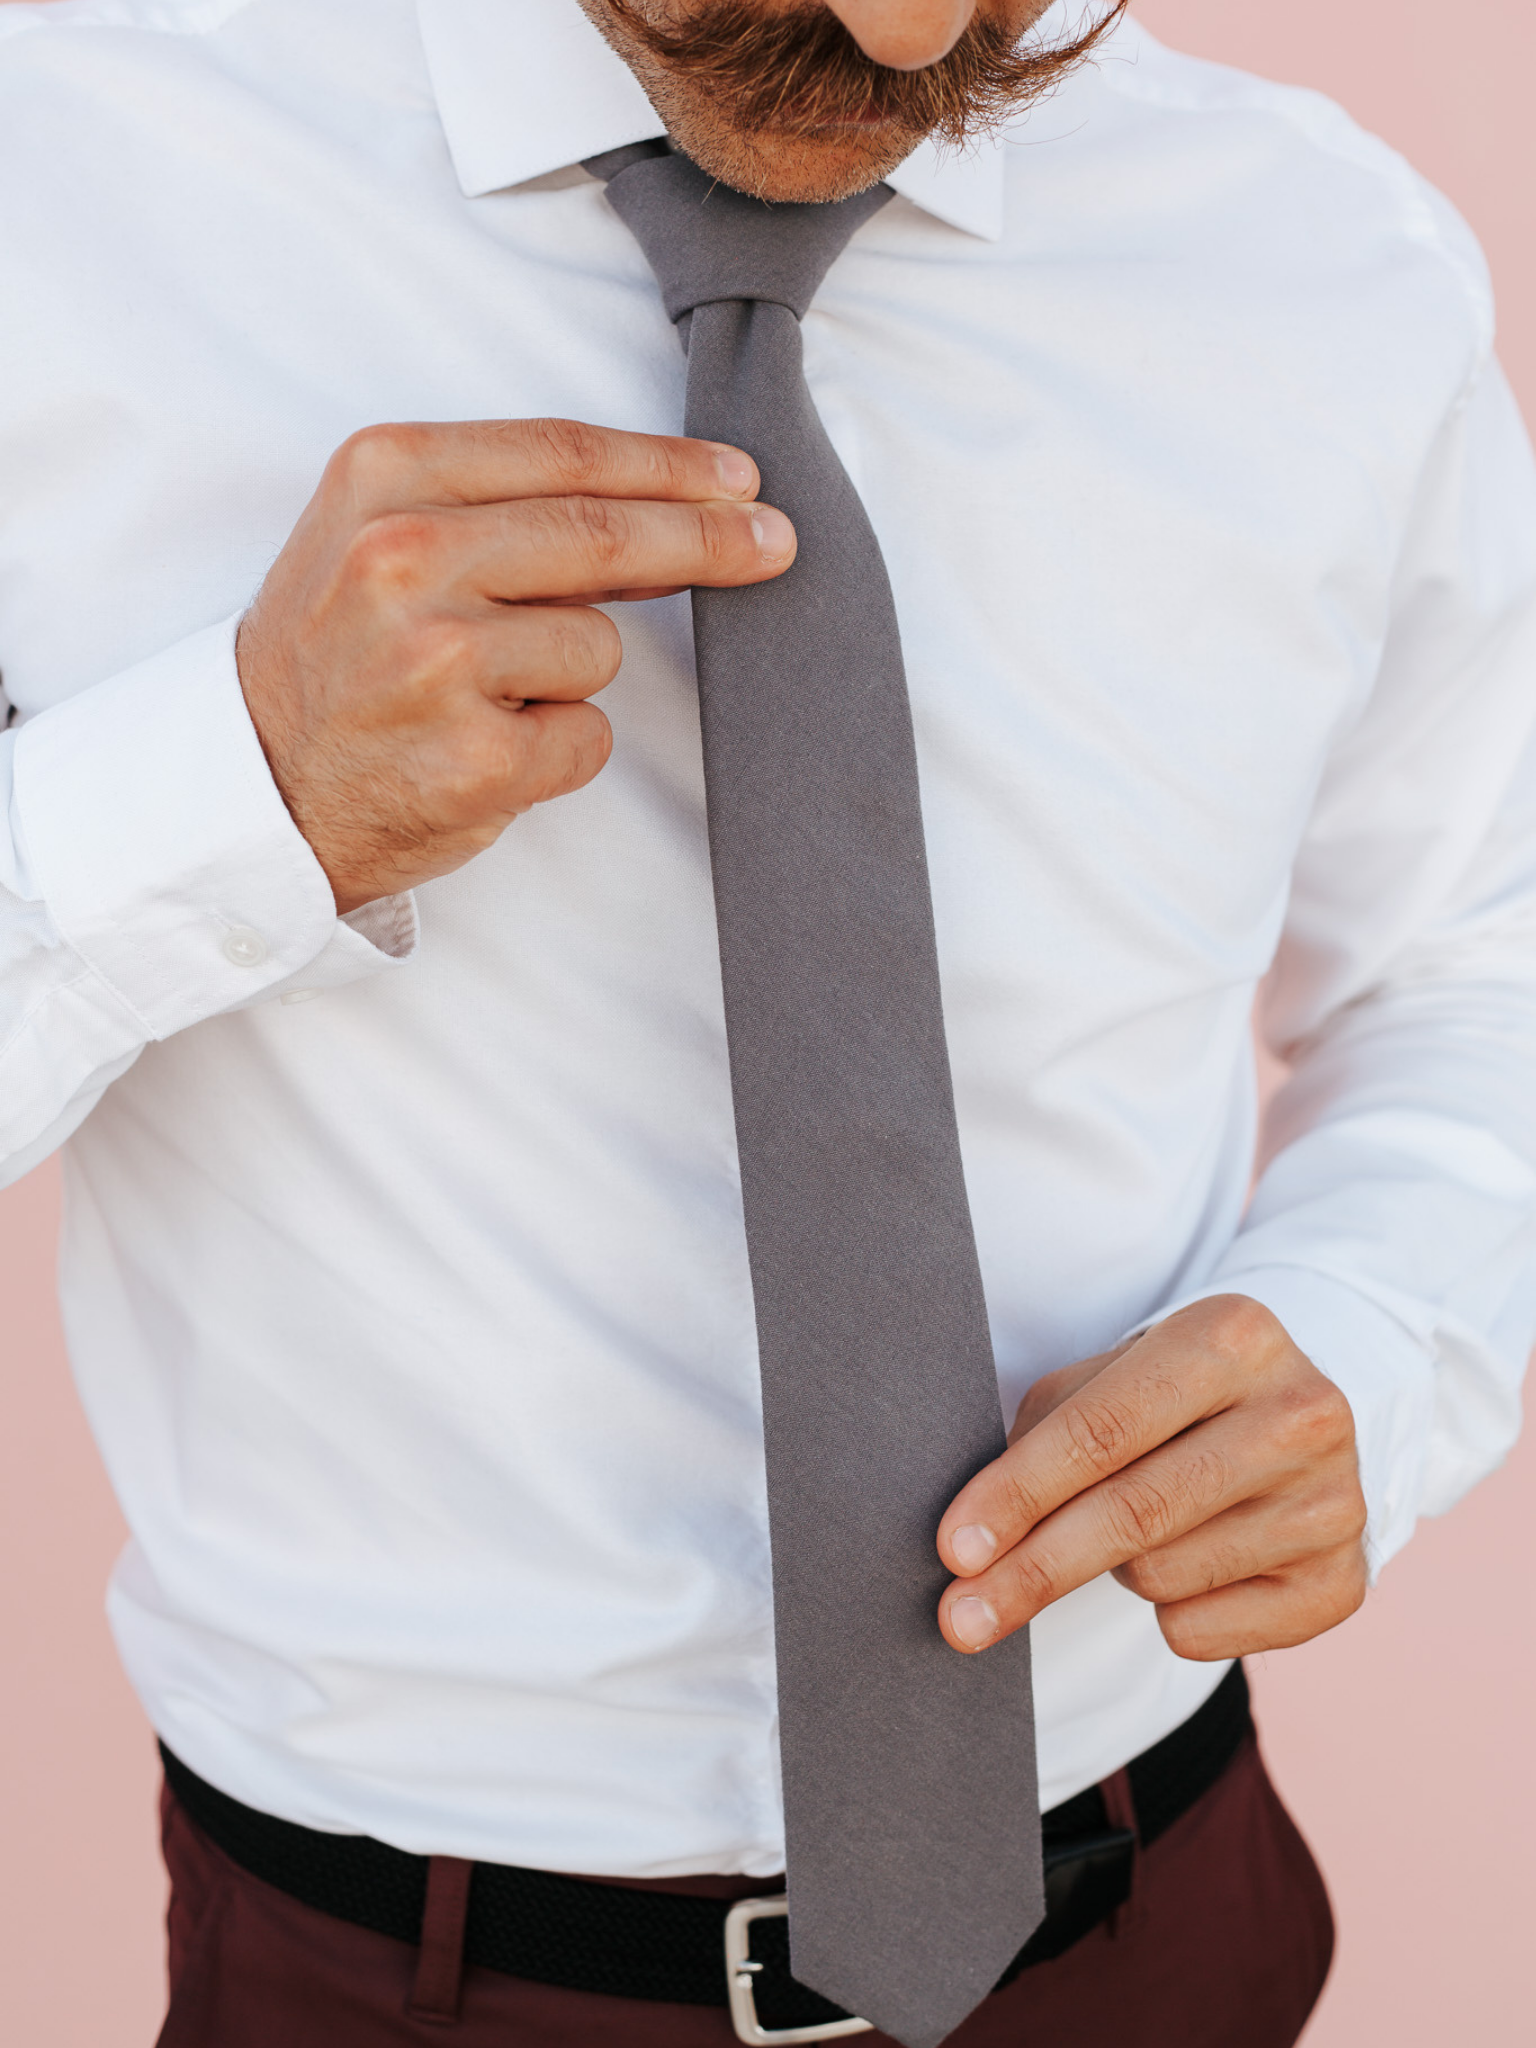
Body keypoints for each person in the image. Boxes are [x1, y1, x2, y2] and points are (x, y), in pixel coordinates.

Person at [2, 0, 1533, 2042]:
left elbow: (1474, 960)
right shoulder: (54, 174)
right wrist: (226, 790)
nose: (917, 25)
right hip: (383, 1978)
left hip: (1155, 1921)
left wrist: (1379, 1329)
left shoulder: (1331, 267)